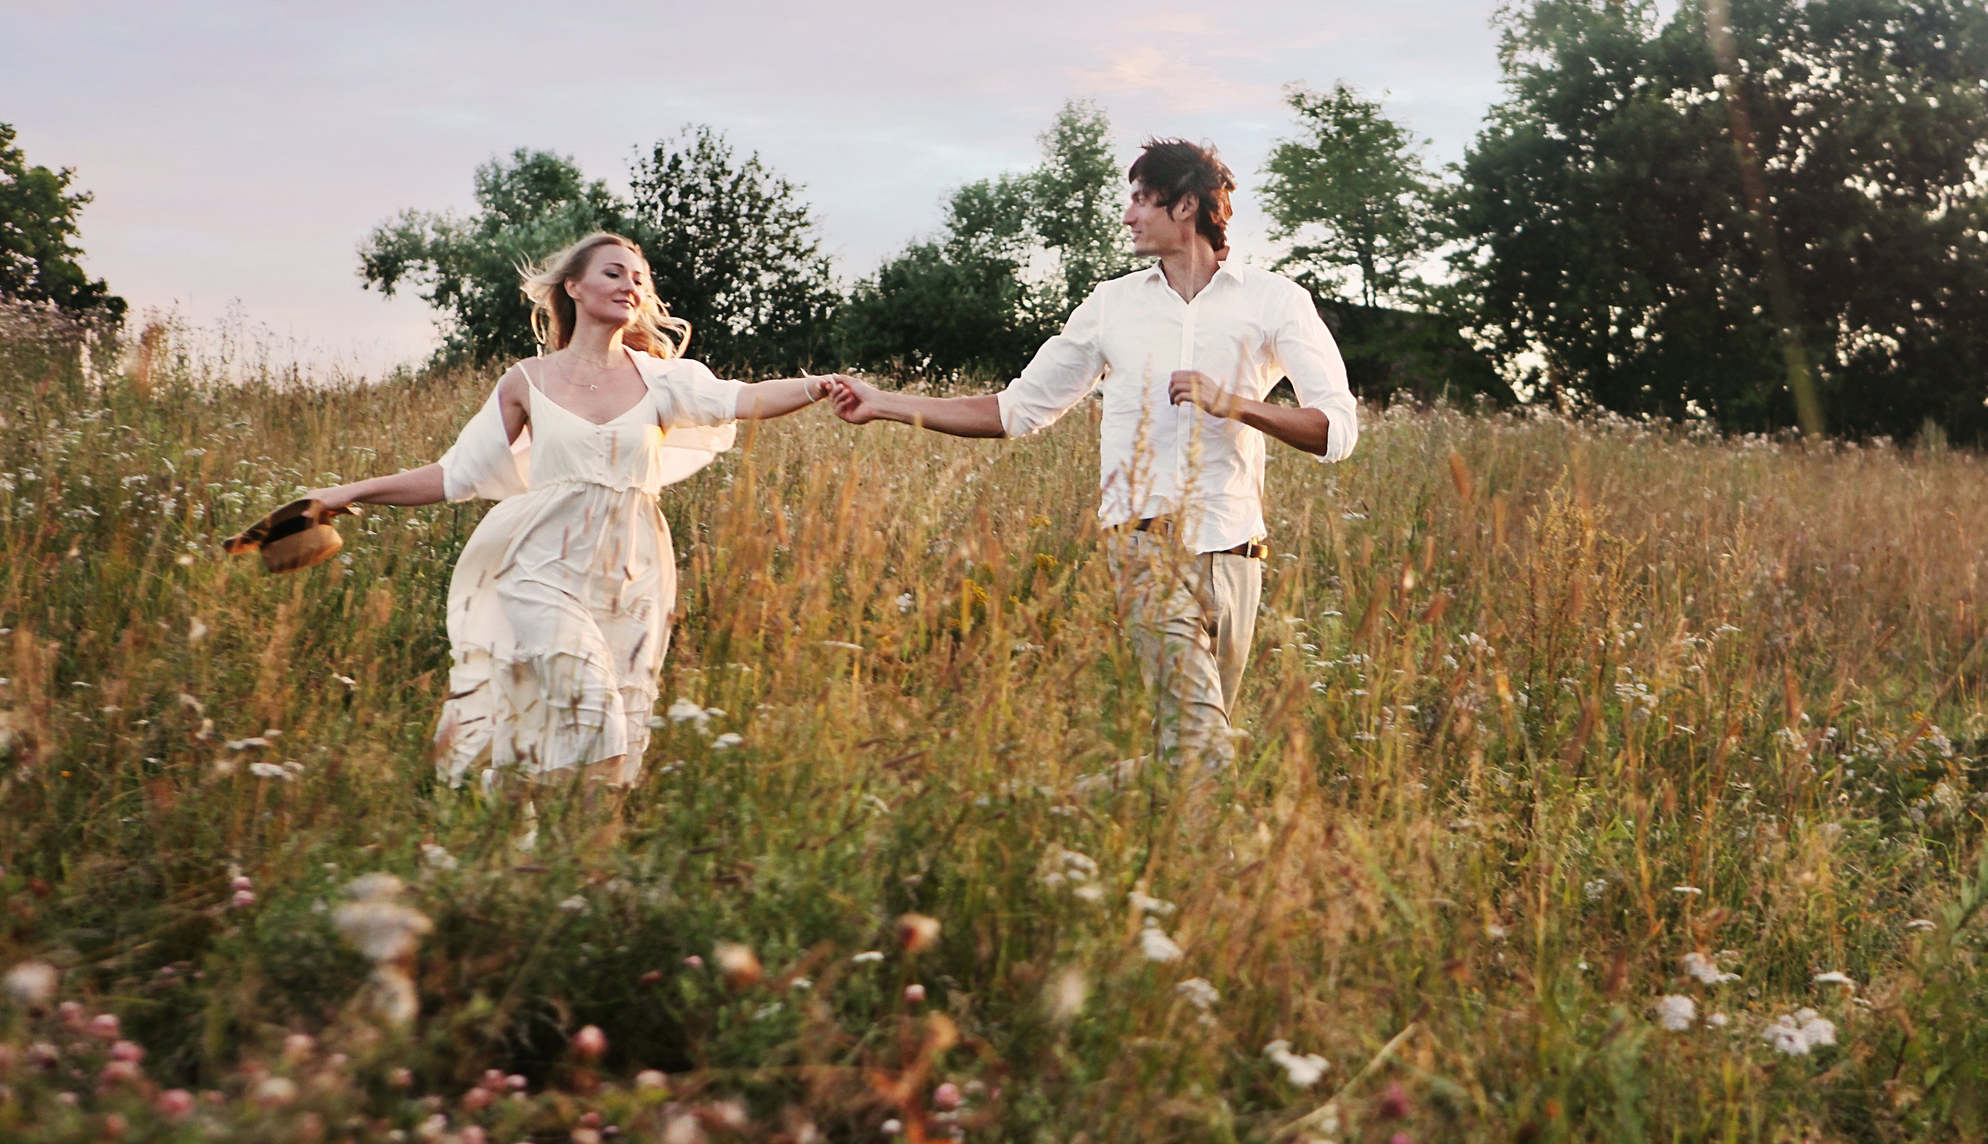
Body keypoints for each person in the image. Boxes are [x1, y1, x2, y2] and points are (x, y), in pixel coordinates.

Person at [831, 138, 1358, 775]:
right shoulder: (1111, 305)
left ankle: (1057, 814)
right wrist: (884, 401)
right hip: (1145, 550)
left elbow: (1336, 431)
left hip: (1235, 555)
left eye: (1141, 199)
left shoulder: (1275, 301)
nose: (1129, 215)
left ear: (1186, 205)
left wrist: (1236, 405)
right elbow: (1015, 410)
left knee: (1185, 760)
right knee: (1204, 754)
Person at [307, 232, 839, 786]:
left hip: (630, 576)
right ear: (574, 287)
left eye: (638, 278)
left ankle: (558, 846)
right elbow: (455, 474)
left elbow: (744, 398)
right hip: (540, 568)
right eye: (613, 273)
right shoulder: (526, 380)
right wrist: (346, 493)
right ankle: (562, 847)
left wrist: (818, 387)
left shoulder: (662, 381)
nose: (629, 286)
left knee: (615, 742)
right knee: (595, 713)